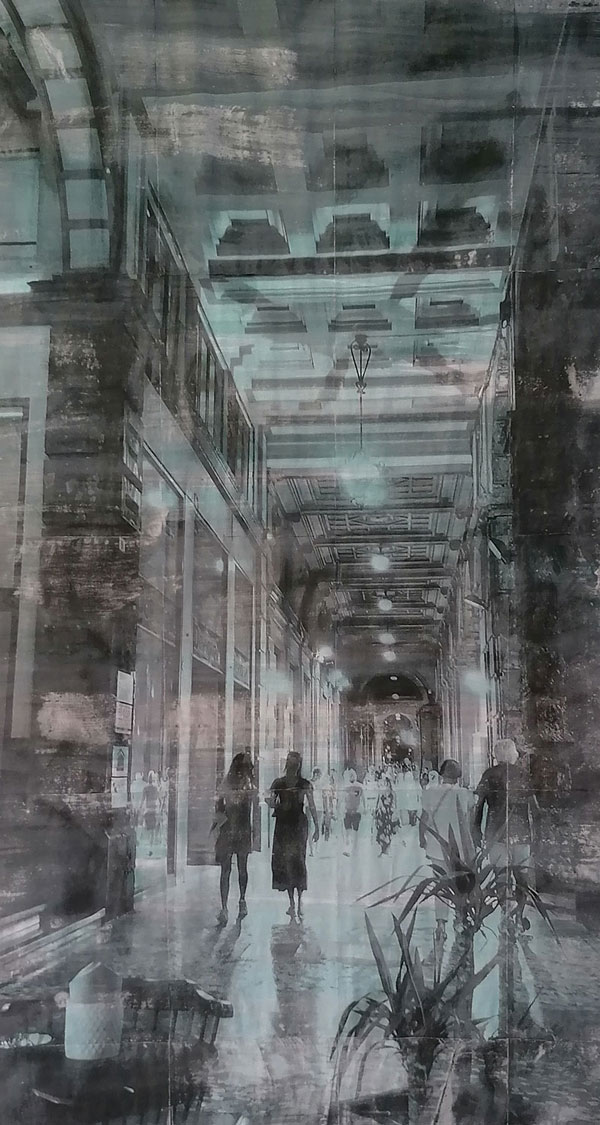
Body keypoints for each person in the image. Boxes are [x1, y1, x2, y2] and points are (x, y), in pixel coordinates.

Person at [473, 738, 539, 931]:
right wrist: (537, 834)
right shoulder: (523, 774)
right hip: (521, 834)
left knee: (501, 877)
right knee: (522, 878)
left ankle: (506, 913)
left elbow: (479, 806)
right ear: (513, 753)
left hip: (495, 834)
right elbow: (535, 808)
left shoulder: (489, 774)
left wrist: (476, 830)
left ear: (496, 754)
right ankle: (518, 915)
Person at [420, 758, 476, 946]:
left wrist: (421, 838)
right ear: (458, 776)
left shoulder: (430, 792)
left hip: (437, 847)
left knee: (440, 885)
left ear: (441, 774)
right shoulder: (465, 794)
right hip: (459, 849)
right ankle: (459, 920)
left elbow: (424, 818)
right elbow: (468, 821)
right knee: (461, 886)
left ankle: (440, 925)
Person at [268, 752, 319, 921]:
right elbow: (271, 801)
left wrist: (317, 826)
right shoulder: (279, 783)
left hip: (297, 825)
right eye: (291, 763)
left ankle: (299, 901)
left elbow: (312, 805)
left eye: (295, 764)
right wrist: (273, 803)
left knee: (298, 861)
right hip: (284, 825)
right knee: (287, 863)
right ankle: (292, 902)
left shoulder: (304, 784)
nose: (293, 766)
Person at [213, 751, 256, 925]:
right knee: (236, 868)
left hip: (234, 829)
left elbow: (219, 805)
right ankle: (232, 904)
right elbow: (220, 805)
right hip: (236, 829)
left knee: (232, 869)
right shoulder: (245, 783)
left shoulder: (241, 783)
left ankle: (234, 903)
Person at [342, 768, 365, 856]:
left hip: (356, 811)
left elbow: (363, 798)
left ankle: (354, 848)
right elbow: (343, 798)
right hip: (348, 811)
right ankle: (348, 849)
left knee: (355, 831)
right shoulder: (346, 787)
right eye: (350, 775)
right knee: (348, 831)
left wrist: (364, 807)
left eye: (353, 775)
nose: (352, 777)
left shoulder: (359, 787)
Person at [374, 774, 397, 856]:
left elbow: (395, 804)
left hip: (389, 814)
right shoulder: (381, 793)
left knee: (388, 832)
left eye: (387, 783)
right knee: (381, 831)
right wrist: (377, 810)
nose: (386, 785)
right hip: (381, 814)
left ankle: (387, 849)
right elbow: (378, 802)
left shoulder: (393, 793)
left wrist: (394, 812)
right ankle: (382, 849)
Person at [140, 770, 161, 854]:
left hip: (148, 809)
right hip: (154, 809)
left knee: (147, 828)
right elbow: (158, 799)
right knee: (152, 829)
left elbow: (142, 799)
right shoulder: (155, 788)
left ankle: (148, 846)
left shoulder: (145, 788)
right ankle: (150, 846)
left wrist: (140, 808)